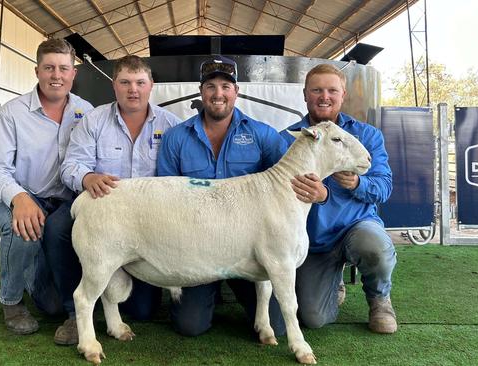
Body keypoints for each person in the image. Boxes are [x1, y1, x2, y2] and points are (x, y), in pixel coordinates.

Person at [46, 55, 182, 345]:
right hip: (100, 204)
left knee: (142, 310)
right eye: (125, 82)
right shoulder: (94, 120)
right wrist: (87, 178)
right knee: (57, 228)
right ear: (114, 86)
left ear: (151, 86)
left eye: (140, 83)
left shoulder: (171, 124)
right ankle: (74, 312)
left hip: (147, 219)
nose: (133, 89)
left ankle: (114, 298)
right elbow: (71, 165)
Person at [156, 55, 288, 337]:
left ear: (236, 92)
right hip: (197, 248)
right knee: (189, 326)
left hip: (249, 251)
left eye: (226, 86)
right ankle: (205, 294)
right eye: (211, 86)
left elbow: (287, 182)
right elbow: (166, 196)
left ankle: (232, 292)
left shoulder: (262, 135)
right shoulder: (175, 138)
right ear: (201, 92)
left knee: (276, 327)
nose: (219, 94)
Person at [0, 38, 94, 335]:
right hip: (20, 191)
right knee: (24, 232)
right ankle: (12, 301)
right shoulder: (12, 113)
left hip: (65, 199)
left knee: (52, 306)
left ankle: (70, 305)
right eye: (49, 68)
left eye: (63, 68)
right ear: (37, 71)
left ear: (73, 73)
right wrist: (19, 197)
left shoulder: (87, 112)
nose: (56, 75)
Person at [279, 63, 397, 334]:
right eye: (317, 90)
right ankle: (335, 280)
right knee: (313, 319)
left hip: (354, 227)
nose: (325, 96)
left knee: (373, 246)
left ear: (343, 94)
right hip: (314, 240)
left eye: (332, 90)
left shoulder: (366, 136)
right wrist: (318, 197)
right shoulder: (287, 139)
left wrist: (357, 183)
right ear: (305, 94)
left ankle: (380, 300)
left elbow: (384, 186)